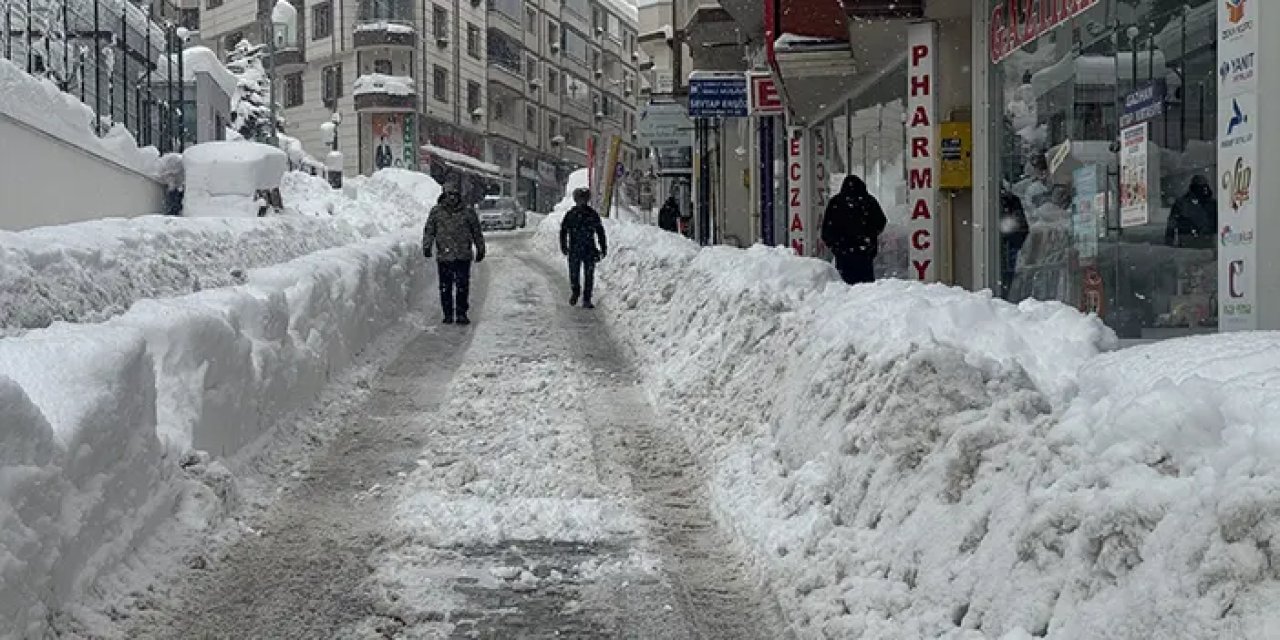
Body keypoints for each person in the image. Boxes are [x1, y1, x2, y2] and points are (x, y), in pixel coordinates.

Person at [423, 184, 486, 325]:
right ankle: (448, 314)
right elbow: (429, 230)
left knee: (462, 286)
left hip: (463, 255)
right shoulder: (436, 212)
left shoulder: (468, 212)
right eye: (449, 195)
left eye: (455, 195)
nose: (452, 198)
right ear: (444, 196)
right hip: (444, 256)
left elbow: (476, 232)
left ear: (459, 196)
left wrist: (480, 248)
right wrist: (427, 246)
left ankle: (461, 313)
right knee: (445, 287)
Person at [820, 175, 887, 285]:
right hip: (864, 254)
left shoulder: (836, 202)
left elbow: (827, 231)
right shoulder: (868, 201)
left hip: (844, 255)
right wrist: (870, 238)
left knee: (845, 287)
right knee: (866, 289)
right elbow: (881, 222)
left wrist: (837, 246)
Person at [559, 188, 608, 308]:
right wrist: (564, 246)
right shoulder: (572, 214)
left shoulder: (590, 214)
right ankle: (576, 292)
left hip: (587, 249)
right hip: (578, 249)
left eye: (584, 199)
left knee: (587, 274)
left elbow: (600, 231)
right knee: (576, 274)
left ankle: (586, 298)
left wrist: (603, 247)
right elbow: (563, 231)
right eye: (580, 199)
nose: (582, 202)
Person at [1165, 175, 1217, 249]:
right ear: (1193, 187)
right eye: (1199, 187)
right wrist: (1169, 241)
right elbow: (1172, 223)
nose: (1202, 190)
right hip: (1188, 240)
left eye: (1204, 186)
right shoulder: (1182, 203)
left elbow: (1218, 222)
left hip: (1208, 240)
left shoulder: (1212, 204)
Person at [999, 187, 1030, 300]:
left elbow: (1021, 226)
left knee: (1009, 273)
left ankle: (1006, 294)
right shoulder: (1010, 200)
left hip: (1010, 243)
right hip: (1010, 242)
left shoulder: (1010, 200)